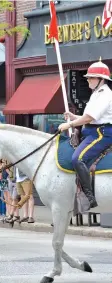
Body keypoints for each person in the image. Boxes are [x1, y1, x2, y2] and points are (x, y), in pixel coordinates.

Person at [59, 59, 112, 209]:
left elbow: (90, 118)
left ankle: (89, 197)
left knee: (78, 158)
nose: (88, 79)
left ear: (101, 80)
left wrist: (69, 124)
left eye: (91, 77)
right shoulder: (96, 94)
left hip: (101, 134)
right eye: (88, 77)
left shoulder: (105, 94)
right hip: (91, 130)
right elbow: (87, 117)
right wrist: (73, 117)